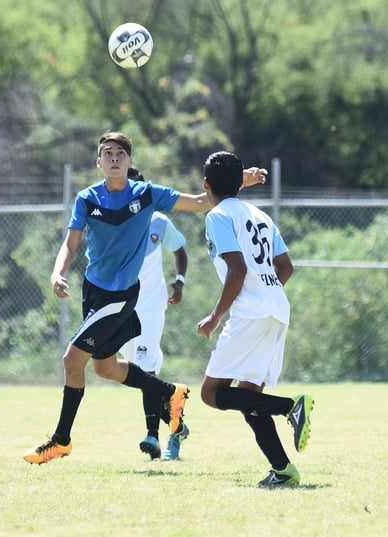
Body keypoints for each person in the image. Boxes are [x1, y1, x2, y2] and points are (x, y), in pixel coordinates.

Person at [23, 132, 266, 465]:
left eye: (120, 153)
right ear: (98, 162)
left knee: (71, 361)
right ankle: (170, 392)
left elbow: (198, 203)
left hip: (121, 294)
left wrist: (239, 181)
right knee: (106, 367)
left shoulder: (147, 194)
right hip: (94, 290)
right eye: (107, 153)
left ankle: (60, 440)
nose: (114, 158)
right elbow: (70, 244)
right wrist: (57, 271)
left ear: (129, 161)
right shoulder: (87, 198)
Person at [197, 150, 314, 487]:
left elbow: (237, 268)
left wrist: (216, 316)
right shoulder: (260, 214)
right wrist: (267, 292)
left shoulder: (218, 215)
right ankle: (283, 470)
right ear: (240, 182)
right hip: (276, 306)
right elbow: (286, 267)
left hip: (250, 312)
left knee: (211, 393)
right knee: (250, 398)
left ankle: (291, 406)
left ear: (206, 184)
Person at [120, 167, 189, 461]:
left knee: (146, 370)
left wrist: (180, 281)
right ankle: (177, 422)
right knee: (131, 371)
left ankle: (154, 437)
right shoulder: (111, 224)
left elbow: (180, 250)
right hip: (121, 305)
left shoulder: (158, 221)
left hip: (149, 304)